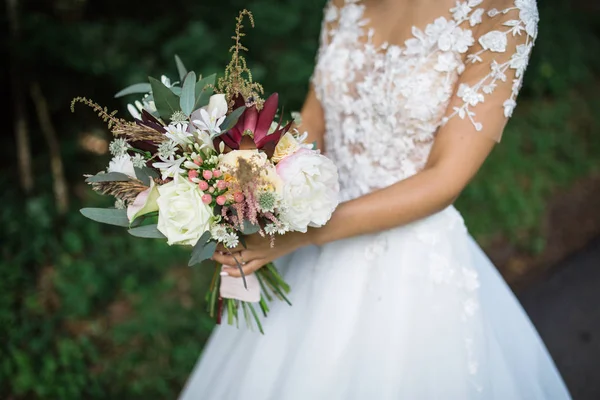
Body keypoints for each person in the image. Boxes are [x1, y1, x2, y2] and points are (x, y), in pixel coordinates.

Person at [180, 0, 572, 398]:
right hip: (308, 226)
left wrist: (303, 234)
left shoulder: (502, 12)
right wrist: (256, 183)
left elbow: (444, 179)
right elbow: (315, 120)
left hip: (405, 259)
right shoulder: (345, 2)